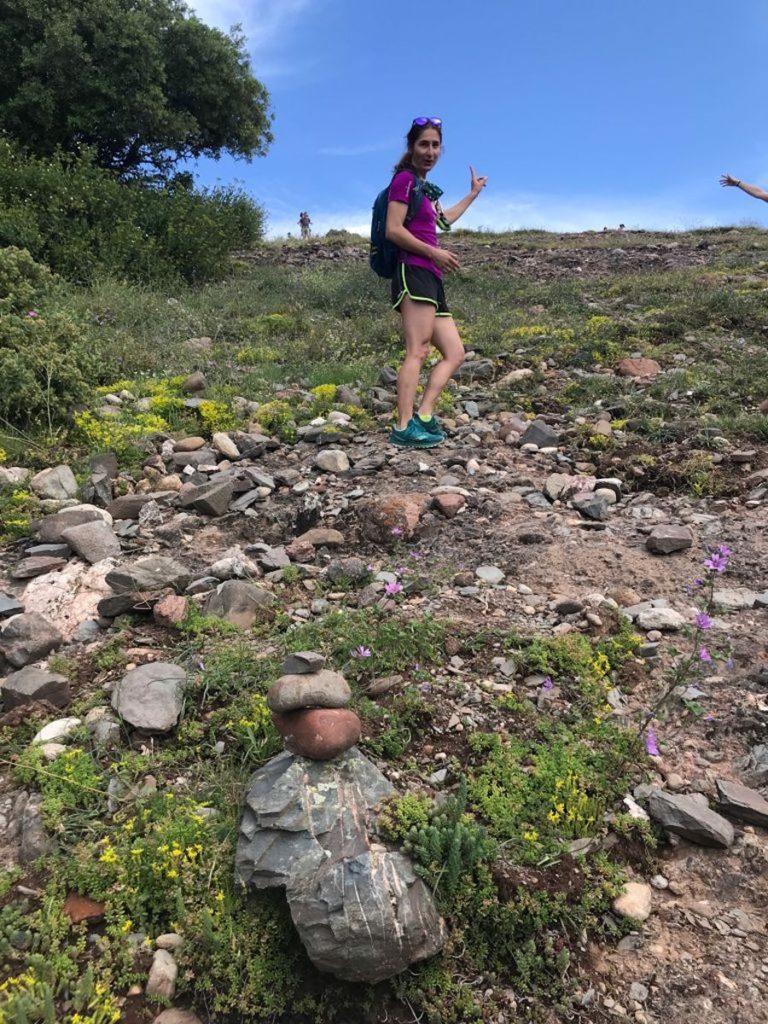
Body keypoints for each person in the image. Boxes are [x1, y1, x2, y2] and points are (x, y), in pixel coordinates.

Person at [385, 117, 487, 448]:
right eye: (423, 144)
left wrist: (472, 194)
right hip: (413, 270)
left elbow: (443, 221)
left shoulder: (424, 188)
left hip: (431, 275)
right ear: (411, 147)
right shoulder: (403, 181)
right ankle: (402, 426)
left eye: (435, 145)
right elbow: (394, 230)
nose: (430, 151)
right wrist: (435, 252)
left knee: (455, 352)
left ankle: (424, 415)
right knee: (418, 350)